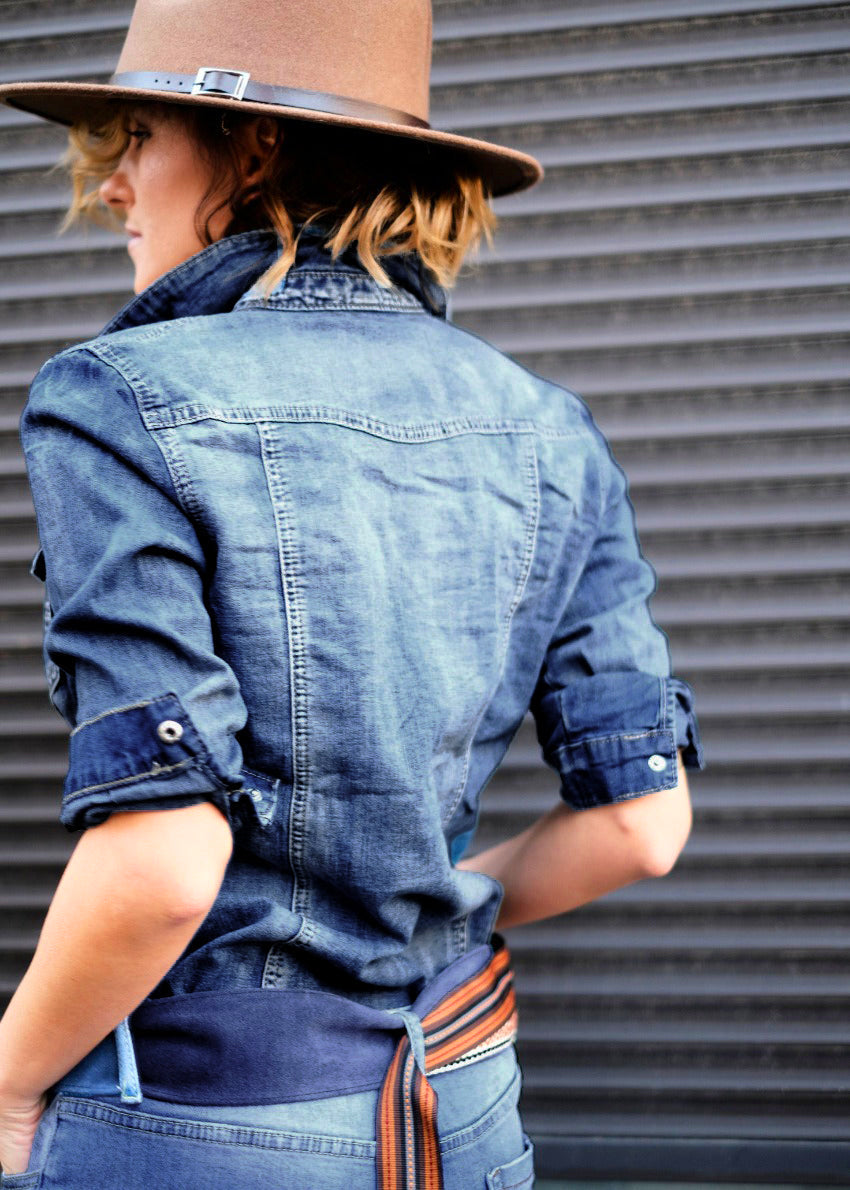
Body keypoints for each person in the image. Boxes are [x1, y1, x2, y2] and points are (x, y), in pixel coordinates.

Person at [0, 1, 704, 1187]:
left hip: (213, 1107)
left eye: (137, 138)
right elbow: (642, 824)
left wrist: (11, 1080)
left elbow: (167, 861)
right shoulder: (549, 428)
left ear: (253, 148)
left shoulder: (115, 394)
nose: (115, 185)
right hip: (466, 1090)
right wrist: (410, 897)